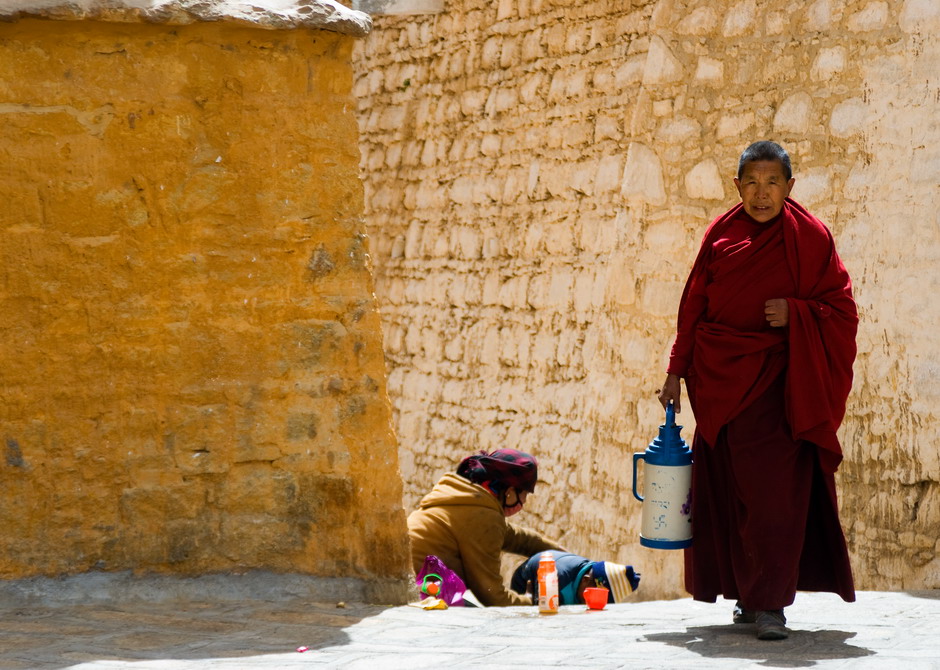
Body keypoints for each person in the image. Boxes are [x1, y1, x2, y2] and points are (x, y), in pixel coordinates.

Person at [657, 141, 857, 641]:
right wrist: (675, 371)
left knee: (775, 500)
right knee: (731, 495)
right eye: (751, 183)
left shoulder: (810, 238)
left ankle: (771, 606)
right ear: (737, 186)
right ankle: (746, 597)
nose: (761, 194)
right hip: (721, 390)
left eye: (773, 183)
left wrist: (798, 313)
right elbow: (692, 308)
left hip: (781, 392)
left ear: (791, 187)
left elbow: (841, 309)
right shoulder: (721, 236)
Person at [407, 448, 565, 606]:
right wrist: (532, 601)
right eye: (524, 495)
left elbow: (517, 538)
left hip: (409, 583)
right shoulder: (482, 516)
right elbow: (492, 595)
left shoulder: (464, 498)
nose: (523, 503)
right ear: (510, 492)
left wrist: (565, 557)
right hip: (421, 592)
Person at [509, 550, 640, 605]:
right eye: (591, 598)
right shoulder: (557, 578)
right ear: (585, 579)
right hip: (526, 581)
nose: (589, 604)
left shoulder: (589, 574)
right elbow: (543, 617)